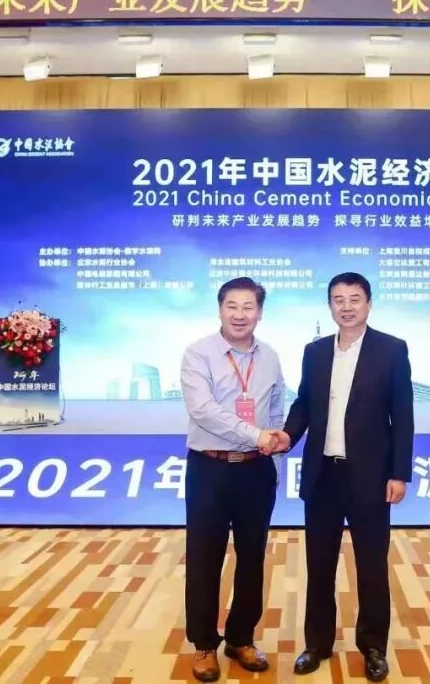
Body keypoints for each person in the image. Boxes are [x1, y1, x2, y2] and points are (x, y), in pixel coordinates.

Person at [269, 272, 414, 682]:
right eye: (338, 299)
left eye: (354, 299)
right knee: (319, 564)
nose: (346, 307)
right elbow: (304, 404)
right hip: (323, 475)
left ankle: (373, 647)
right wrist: (287, 435)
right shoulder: (315, 352)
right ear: (329, 305)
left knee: (371, 566)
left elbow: (403, 416)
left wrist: (399, 473)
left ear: (369, 303)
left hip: (370, 476)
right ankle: (317, 644)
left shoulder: (391, 349)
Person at [179, 277, 290, 683]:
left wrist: (275, 451)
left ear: (260, 312)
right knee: (205, 557)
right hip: (210, 468)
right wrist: (256, 435)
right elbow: (203, 410)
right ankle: (204, 644)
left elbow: (275, 407)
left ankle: (241, 638)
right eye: (232, 306)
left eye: (248, 307)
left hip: (256, 469)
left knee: (252, 556)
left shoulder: (270, 356)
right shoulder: (198, 353)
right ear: (220, 309)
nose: (240, 314)